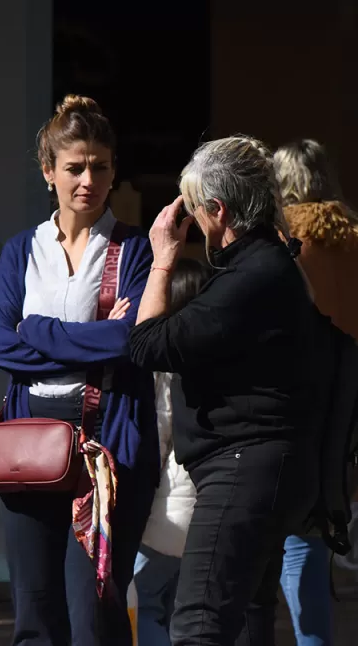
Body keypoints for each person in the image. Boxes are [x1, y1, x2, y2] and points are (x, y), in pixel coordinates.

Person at [128, 135, 326, 645]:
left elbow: (147, 344)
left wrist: (163, 260)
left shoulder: (251, 278)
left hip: (243, 471)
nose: (190, 223)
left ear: (217, 210)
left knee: (197, 625)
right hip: (266, 470)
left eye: (195, 211)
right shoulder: (273, 267)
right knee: (246, 622)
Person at [0, 94, 159, 645]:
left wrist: (35, 330)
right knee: (34, 615)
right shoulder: (21, 252)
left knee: (95, 617)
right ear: (48, 171)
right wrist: (96, 339)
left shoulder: (134, 252)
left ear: (113, 170)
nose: (88, 180)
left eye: (100, 167)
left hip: (106, 443)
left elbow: (134, 343)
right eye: (74, 167)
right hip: (30, 440)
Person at [274, 139, 358, 646]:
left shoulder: (286, 250)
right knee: (311, 554)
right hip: (344, 423)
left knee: (281, 557)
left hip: (289, 421)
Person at [132, 258, 209, 646]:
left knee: (145, 604)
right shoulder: (216, 358)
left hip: (167, 513)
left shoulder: (163, 364)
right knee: (185, 612)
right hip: (207, 509)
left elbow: (159, 437)